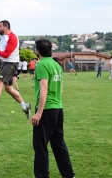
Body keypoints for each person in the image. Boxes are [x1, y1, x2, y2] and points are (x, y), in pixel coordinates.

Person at [29, 38, 75, 178]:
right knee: (59, 145)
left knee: (40, 146)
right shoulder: (56, 65)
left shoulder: (41, 65)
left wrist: (38, 113)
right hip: (58, 109)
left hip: (47, 110)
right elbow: (59, 89)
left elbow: (44, 90)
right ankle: (69, 175)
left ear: (37, 51)